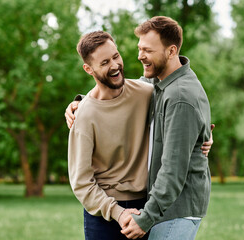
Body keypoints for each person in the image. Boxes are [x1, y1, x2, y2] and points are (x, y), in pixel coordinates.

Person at [67, 30, 213, 240]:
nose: (115, 65)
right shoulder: (84, 115)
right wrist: (118, 212)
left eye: (116, 56)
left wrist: (204, 134)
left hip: (145, 207)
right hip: (104, 215)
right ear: (88, 69)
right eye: (105, 62)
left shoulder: (145, 92)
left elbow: (185, 101)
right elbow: (81, 182)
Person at [119, 16, 212, 240]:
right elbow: (121, 93)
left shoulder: (179, 96)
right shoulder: (160, 83)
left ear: (171, 51)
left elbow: (173, 170)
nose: (140, 56)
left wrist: (146, 218)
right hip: (165, 207)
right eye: (140, 48)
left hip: (176, 211)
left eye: (148, 50)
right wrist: (82, 103)